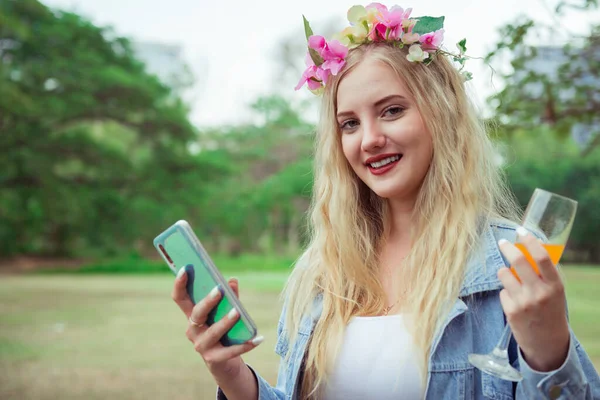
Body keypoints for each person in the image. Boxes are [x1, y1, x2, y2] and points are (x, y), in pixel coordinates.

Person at [171, 3, 600, 399]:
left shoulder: (508, 262)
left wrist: (549, 354)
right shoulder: (320, 271)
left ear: (441, 111)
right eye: (350, 123)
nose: (370, 139)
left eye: (392, 110)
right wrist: (231, 374)